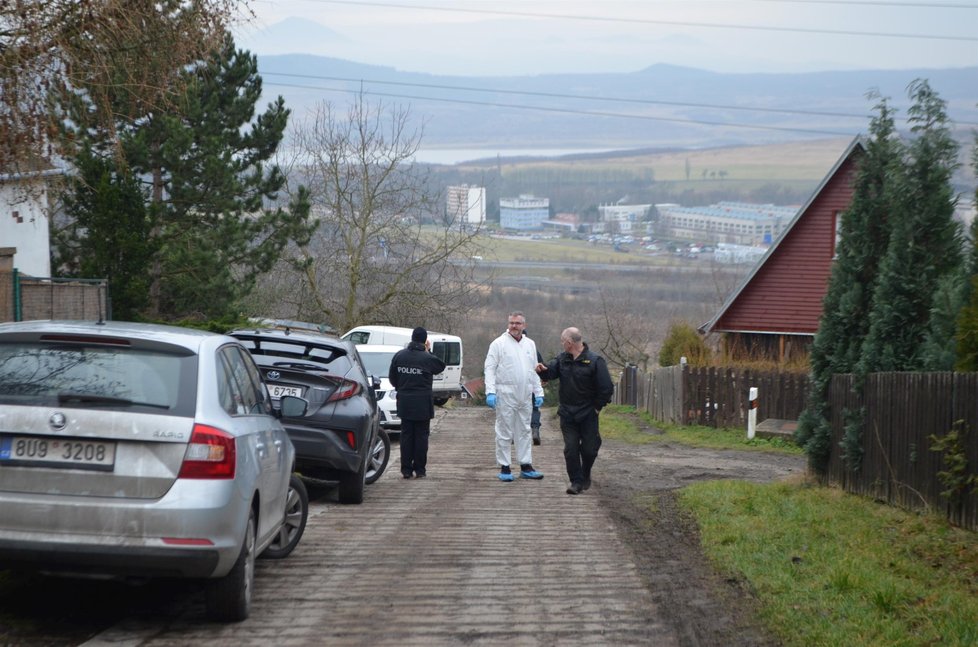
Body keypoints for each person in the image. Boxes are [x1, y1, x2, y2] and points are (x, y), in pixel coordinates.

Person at [535, 327, 614, 495]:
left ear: (569, 343)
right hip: (568, 413)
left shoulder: (595, 361)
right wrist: (542, 371)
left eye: (563, 342)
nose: (562, 344)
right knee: (570, 449)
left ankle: (585, 473)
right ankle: (576, 482)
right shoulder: (562, 359)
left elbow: (606, 387)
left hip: (588, 413)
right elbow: (550, 373)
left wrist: (597, 407)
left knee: (589, 449)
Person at [484, 311, 545, 482]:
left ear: (524, 325)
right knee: (504, 430)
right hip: (505, 393)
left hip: (524, 394)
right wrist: (491, 391)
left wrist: (538, 391)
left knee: (524, 430)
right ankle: (505, 466)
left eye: (517, 323)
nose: (514, 326)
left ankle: (526, 465)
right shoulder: (498, 344)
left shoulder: (530, 344)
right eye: (511, 322)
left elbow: (534, 369)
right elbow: (489, 368)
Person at [389, 326, 446, 479]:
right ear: (425, 341)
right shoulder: (427, 358)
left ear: (412, 338)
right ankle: (420, 470)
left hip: (405, 402)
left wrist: (403, 388)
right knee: (421, 437)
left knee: (406, 436)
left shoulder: (399, 356)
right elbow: (440, 366)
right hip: (422, 403)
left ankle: (406, 470)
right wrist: (428, 351)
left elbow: (392, 379)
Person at [523, 329, 545, 446]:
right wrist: (543, 379)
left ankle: (512, 435)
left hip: (516, 386)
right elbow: (541, 366)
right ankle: (535, 430)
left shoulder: (509, 348)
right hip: (532, 385)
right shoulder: (533, 349)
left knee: (515, 410)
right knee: (534, 409)